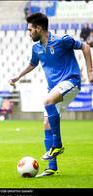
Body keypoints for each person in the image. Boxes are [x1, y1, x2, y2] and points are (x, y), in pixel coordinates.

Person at [9, 13, 93, 177]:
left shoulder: (63, 40)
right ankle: (52, 167)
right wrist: (18, 76)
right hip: (54, 88)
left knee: (47, 100)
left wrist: (90, 71)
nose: (29, 33)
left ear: (39, 28)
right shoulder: (36, 48)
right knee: (46, 123)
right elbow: (32, 64)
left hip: (71, 81)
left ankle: (58, 145)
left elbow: (86, 47)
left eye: (30, 30)